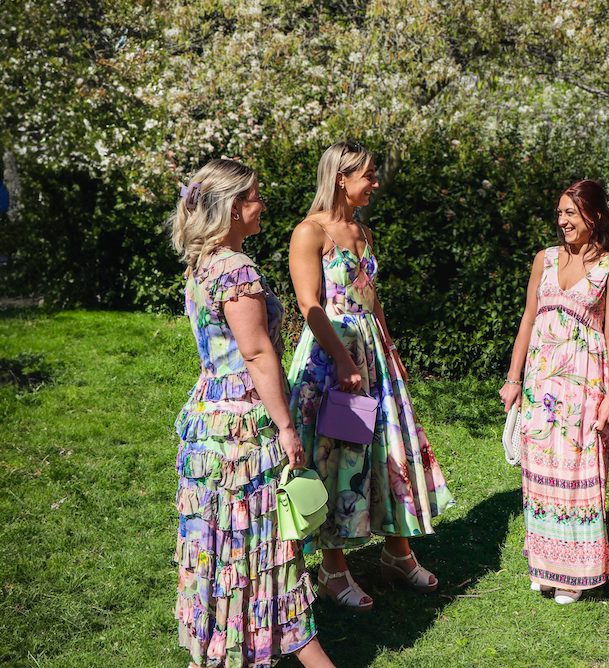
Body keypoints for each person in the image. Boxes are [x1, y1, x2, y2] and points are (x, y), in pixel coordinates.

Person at [170, 159, 336, 667]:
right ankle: (294, 645)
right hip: (243, 424)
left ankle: (227, 647)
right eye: (255, 196)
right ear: (234, 207)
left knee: (224, 541)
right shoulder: (237, 270)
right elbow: (258, 354)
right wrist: (286, 426)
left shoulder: (201, 265)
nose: (263, 204)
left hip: (207, 419)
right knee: (263, 541)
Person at [286, 141, 454, 612]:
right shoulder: (309, 232)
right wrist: (342, 360)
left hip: (372, 355)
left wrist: (390, 348)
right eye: (368, 176)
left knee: (388, 445)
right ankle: (333, 569)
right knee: (333, 453)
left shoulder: (361, 231)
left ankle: (396, 552)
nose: (375, 184)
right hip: (330, 356)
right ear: (341, 177)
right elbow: (309, 305)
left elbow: (370, 297)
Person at [499, 179, 609, 604]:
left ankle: (575, 572)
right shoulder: (545, 259)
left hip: (584, 386)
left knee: (577, 475)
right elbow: (526, 321)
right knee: (539, 472)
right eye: (560, 213)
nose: (563, 221)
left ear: (593, 216)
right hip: (540, 384)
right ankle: (545, 562)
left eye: (571, 213)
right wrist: (514, 379)